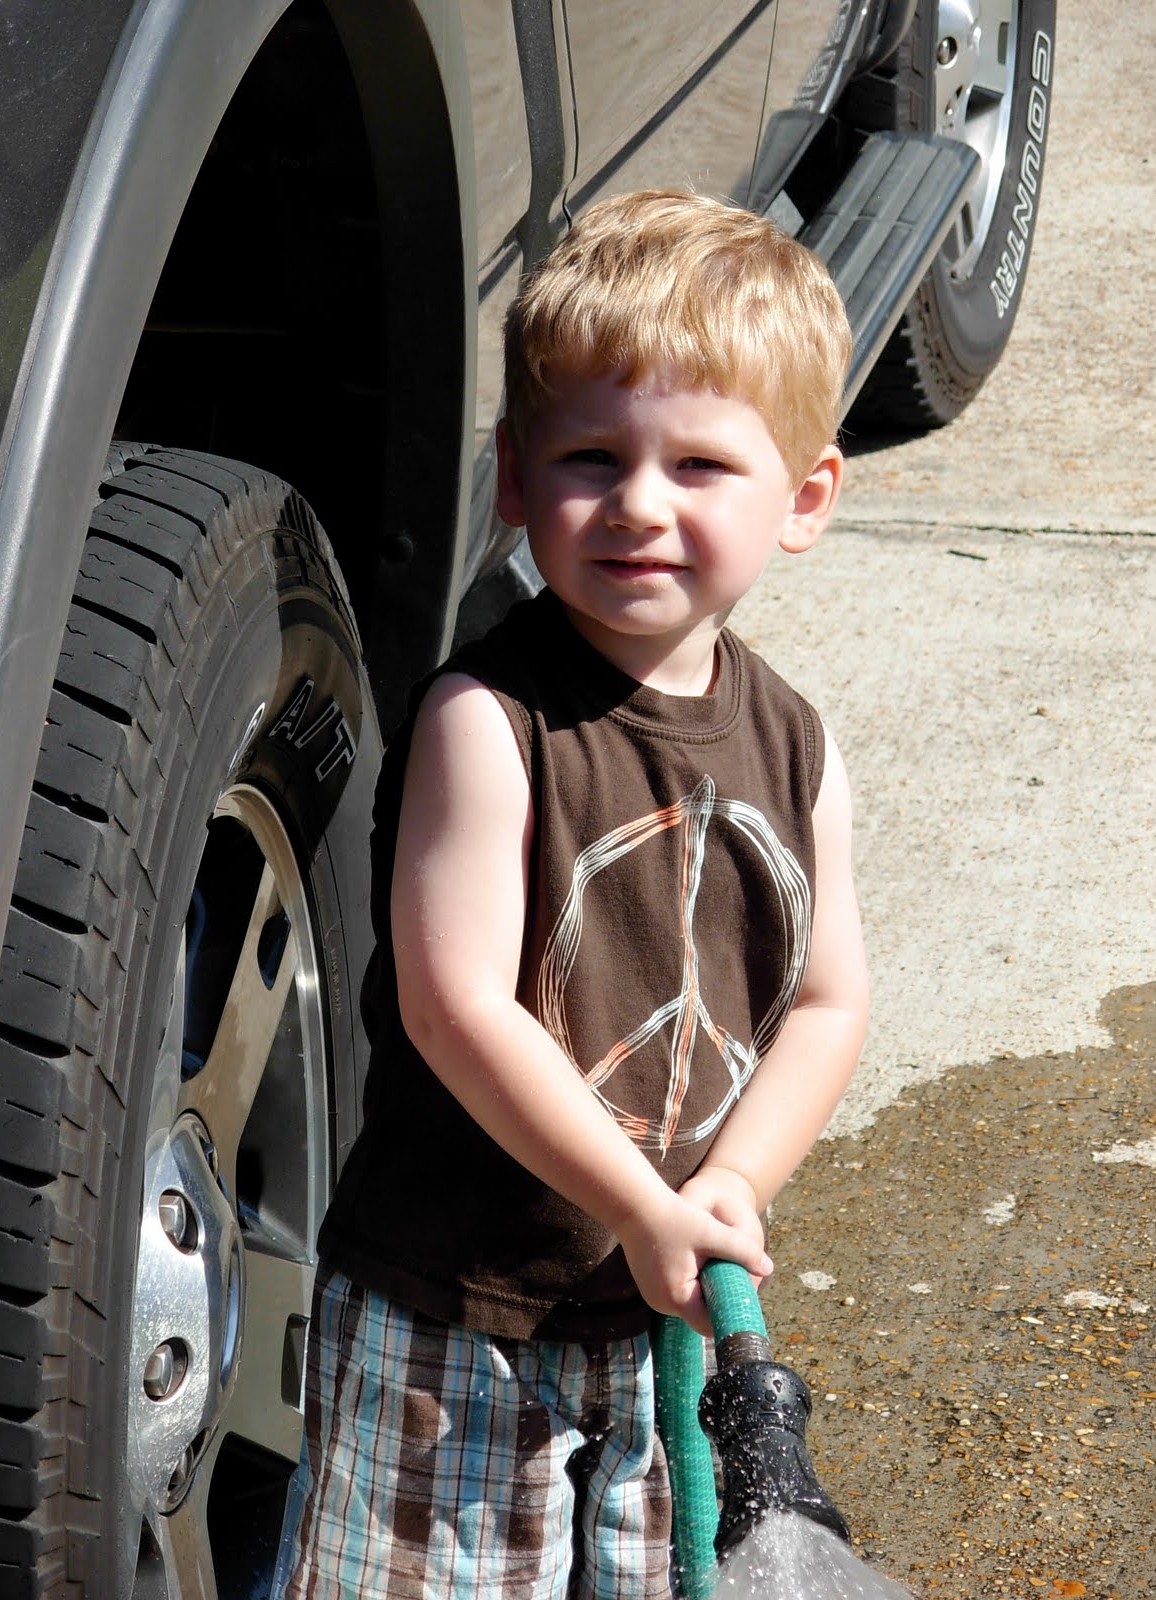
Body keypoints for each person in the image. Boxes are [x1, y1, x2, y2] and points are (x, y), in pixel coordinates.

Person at [274, 188, 870, 1599]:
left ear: (803, 499)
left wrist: (725, 1190)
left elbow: (829, 1000)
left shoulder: (797, 743)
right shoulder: (490, 724)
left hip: (660, 1325)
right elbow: (456, 1005)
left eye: (701, 465)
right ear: (513, 478)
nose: (641, 504)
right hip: (454, 1324)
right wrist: (646, 1210)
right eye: (593, 457)